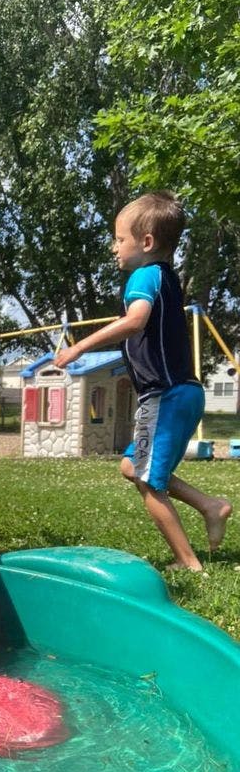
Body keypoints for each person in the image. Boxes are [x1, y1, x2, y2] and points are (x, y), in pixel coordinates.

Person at [55, 190, 231, 571]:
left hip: (165, 396)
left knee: (150, 482)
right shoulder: (165, 276)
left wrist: (79, 347)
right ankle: (209, 505)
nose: (114, 248)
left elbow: (135, 320)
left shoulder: (143, 275)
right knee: (133, 467)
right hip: (184, 392)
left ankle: (189, 563)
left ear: (146, 242)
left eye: (120, 239)